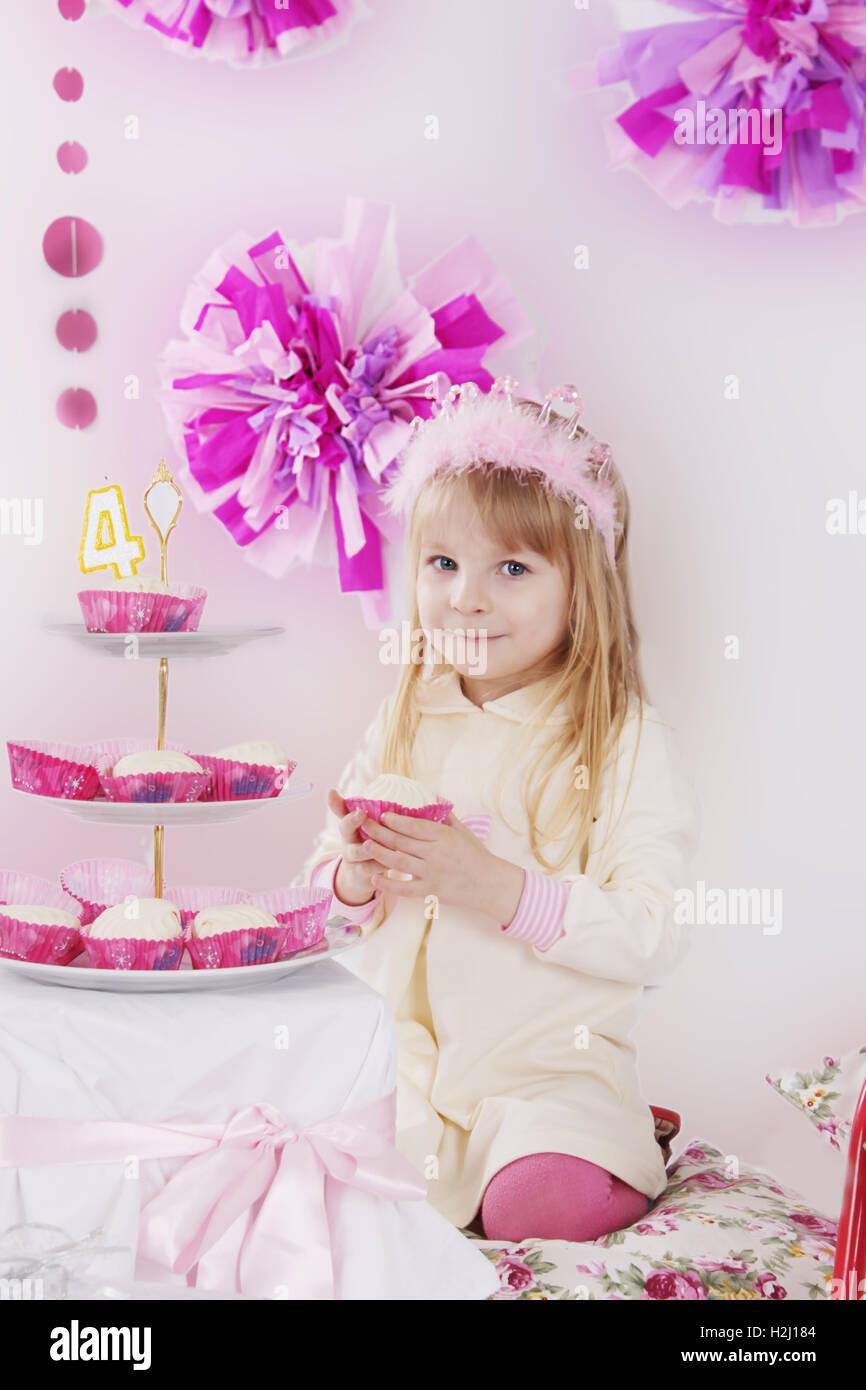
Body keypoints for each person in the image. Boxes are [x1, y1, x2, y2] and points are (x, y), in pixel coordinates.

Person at [296, 379, 700, 1242]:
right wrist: (354, 878)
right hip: (408, 1075)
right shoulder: (408, 715)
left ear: (581, 583)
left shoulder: (619, 740)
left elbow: (654, 930)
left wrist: (504, 892)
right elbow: (322, 890)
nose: (467, 598)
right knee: (320, 1181)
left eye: (511, 568)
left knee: (536, 1205)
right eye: (443, 564)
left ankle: (613, 1151)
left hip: (549, 1080)